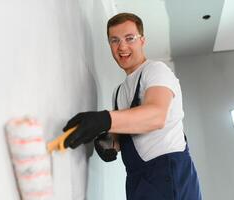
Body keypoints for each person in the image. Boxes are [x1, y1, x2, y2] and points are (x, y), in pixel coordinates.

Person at [62, 13, 202, 200]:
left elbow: (156, 115)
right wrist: (108, 142)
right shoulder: (119, 92)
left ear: (142, 40)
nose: (122, 47)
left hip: (168, 174)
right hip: (137, 180)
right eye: (114, 40)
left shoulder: (155, 70)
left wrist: (104, 119)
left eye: (130, 38)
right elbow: (125, 137)